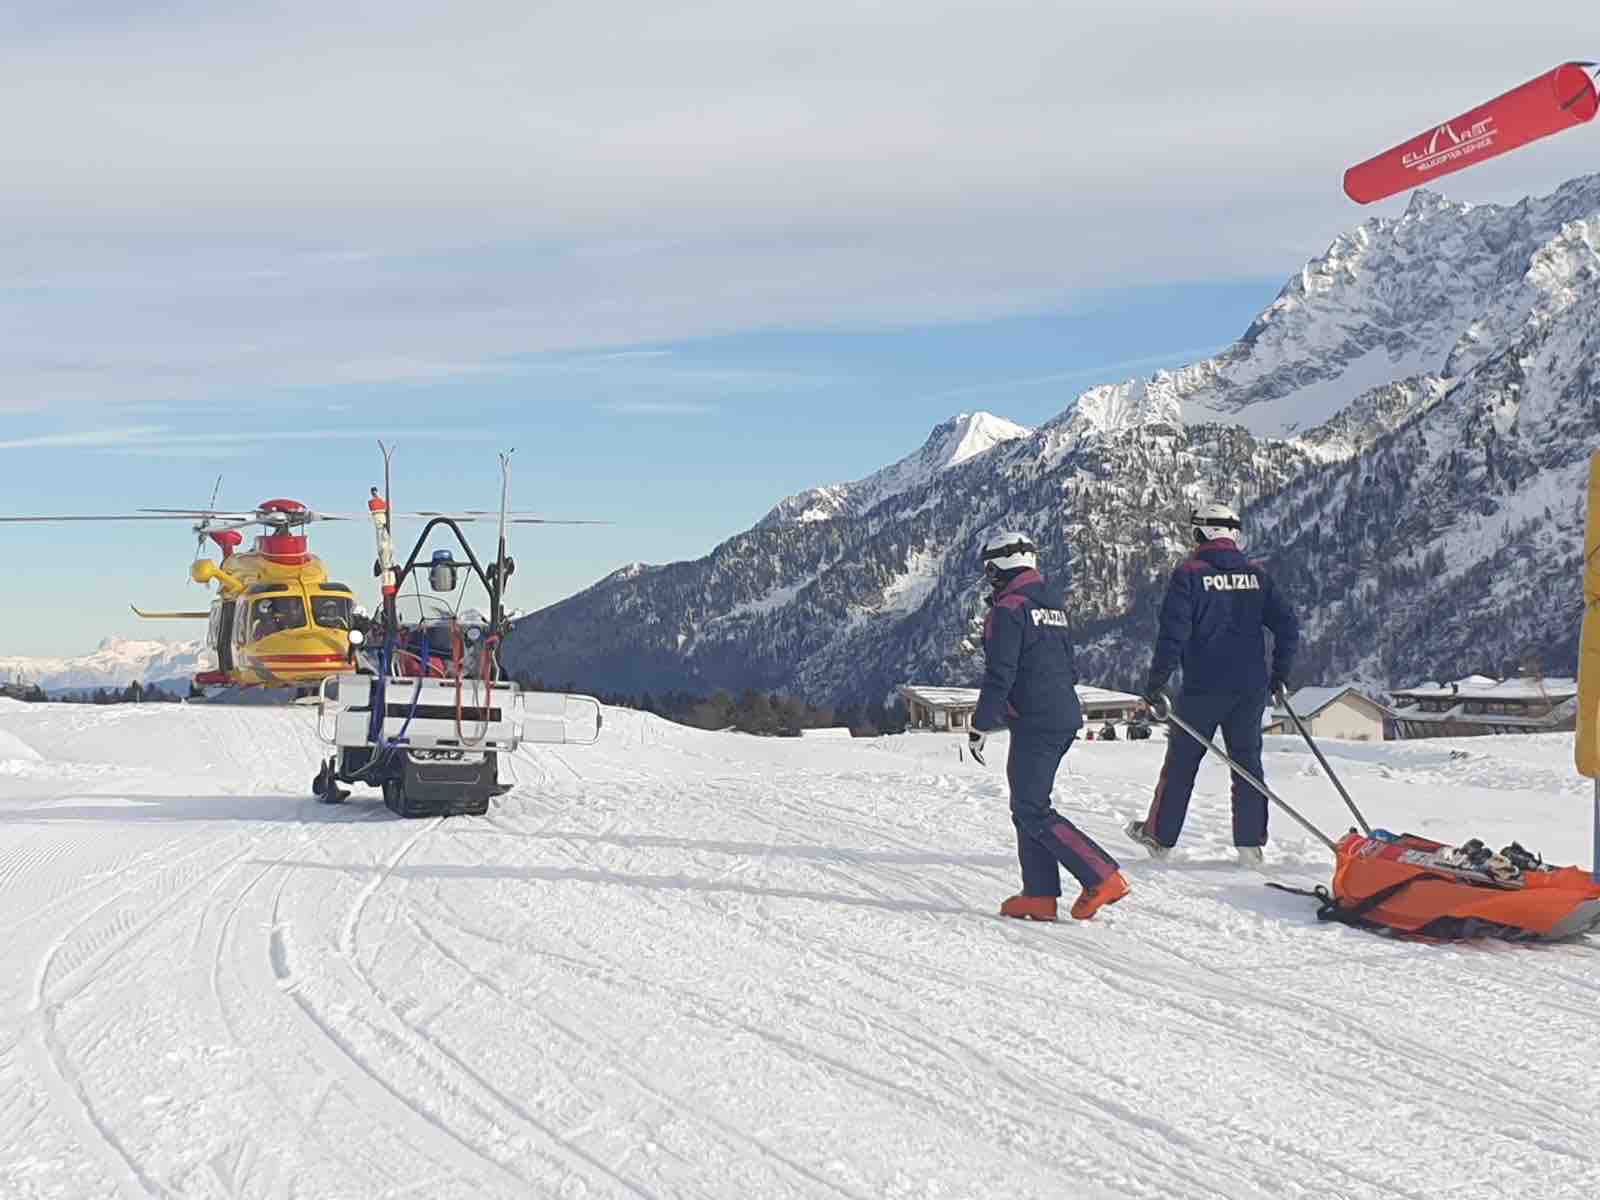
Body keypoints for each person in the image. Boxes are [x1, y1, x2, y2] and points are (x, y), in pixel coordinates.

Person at [969, 531, 1130, 921]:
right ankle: (1039, 895)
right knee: (1027, 805)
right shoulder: (1052, 606)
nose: (988, 578)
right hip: (1060, 714)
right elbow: (1069, 666)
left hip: (1035, 721)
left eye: (990, 570)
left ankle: (1102, 875)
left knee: (1032, 808)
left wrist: (981, 724)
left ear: (999, 568)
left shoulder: (1008, 610)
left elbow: (999, 674)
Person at [1126, 503, 1299, 866]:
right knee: (1247, 764)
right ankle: (1251, 847)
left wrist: (1155, 685)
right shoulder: (1257, 576)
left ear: (1201, 533)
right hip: (1250, 689)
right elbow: (1287, 627)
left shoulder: (1189, 575)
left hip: (1202, 688)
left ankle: (1160, 838)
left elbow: (1172, 636)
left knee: (1182, 765)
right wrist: (1279, 675)